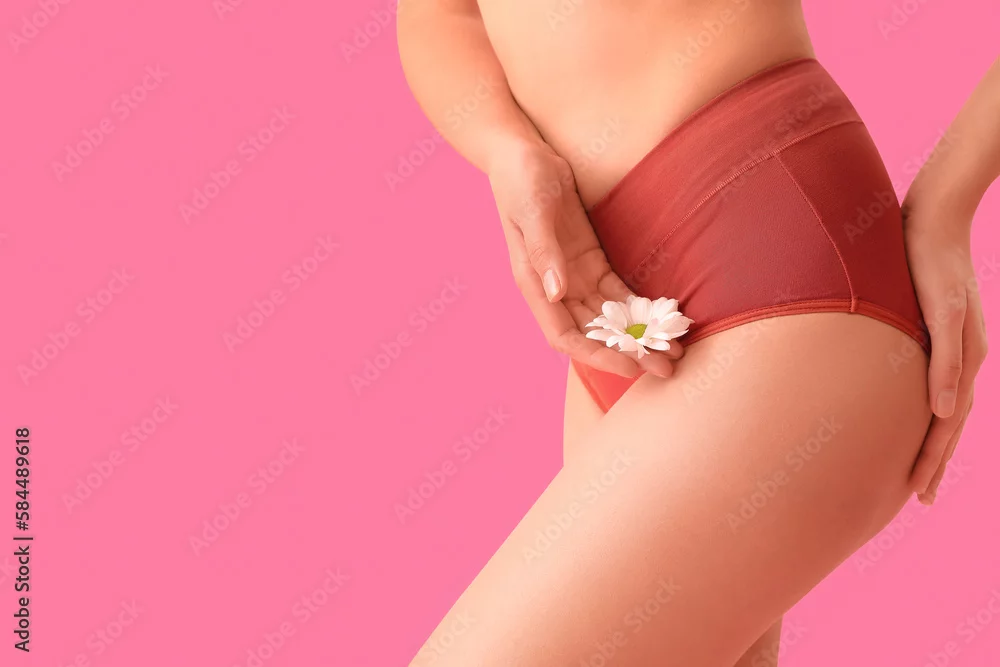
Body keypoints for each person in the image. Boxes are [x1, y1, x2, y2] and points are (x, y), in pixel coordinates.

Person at [397, 0, 995, 663]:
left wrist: (946, 207)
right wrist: (504, 146)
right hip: (617, 323)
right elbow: (438, 14)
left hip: (774, 246)